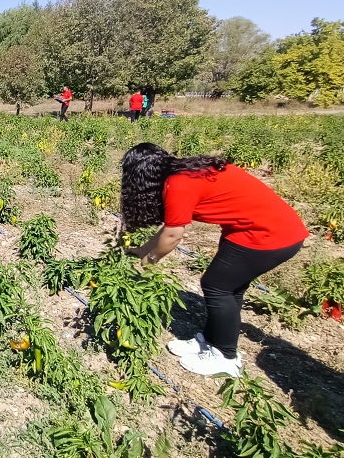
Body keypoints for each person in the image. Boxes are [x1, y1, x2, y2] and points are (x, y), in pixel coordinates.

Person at [120, 143, 309, 377]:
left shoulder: (178, 185)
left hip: (269, 234)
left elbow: (173, 236)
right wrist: (142, 251)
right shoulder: (183, 173)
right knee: (230, 288)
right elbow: (169, 227)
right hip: (253, 228)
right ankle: (209, 342)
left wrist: (149, 262)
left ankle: (225, 357)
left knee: (217, 286)